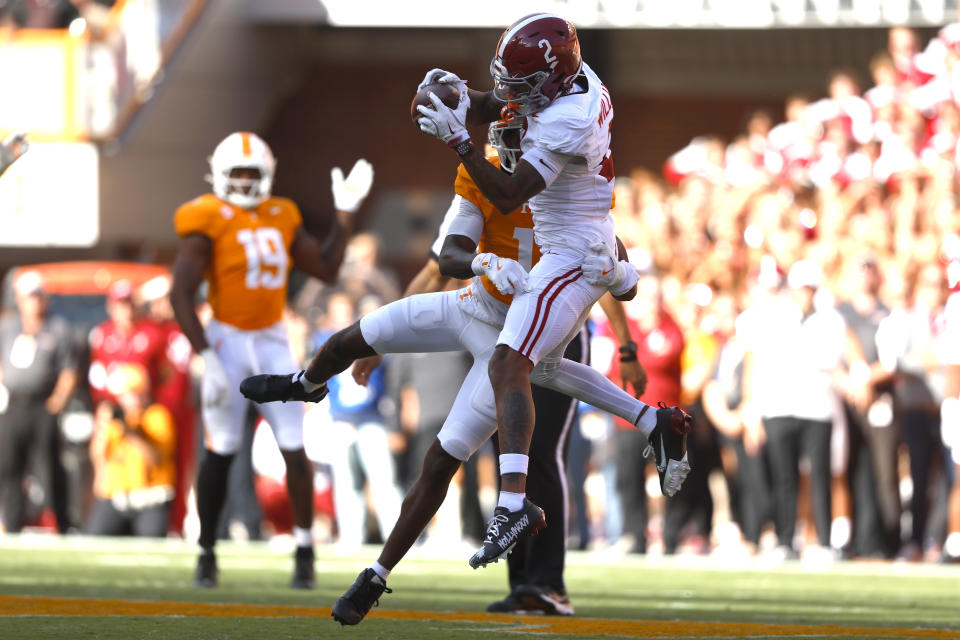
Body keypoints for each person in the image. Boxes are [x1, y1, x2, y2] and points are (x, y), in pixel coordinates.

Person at [240, 116, 657, 625]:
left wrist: (628, 334)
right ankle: (305, 385)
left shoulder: (573, 194)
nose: (507, 156)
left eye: (518, 147)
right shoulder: (479, 180)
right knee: (358, 333)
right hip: (476, 308)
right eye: (500, 144)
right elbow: (448, 257)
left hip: (536, 336)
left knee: (494, 454)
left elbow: (610, 273)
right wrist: (483, 263)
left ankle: (428, 576)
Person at [411, 13, 691, 568]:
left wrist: (460, 141)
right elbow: (500, 101)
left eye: (522, 87)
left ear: (551, 80)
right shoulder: (567, 80)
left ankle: (512, 504)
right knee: (535, 368)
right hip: (580, 236)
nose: (510, 97)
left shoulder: (570, 114)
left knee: (507, 364)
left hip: (568, 249)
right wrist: (452, 96)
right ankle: (656, 421)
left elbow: (510, 194)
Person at [169, 131, 373, 589]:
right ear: (219, 175)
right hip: (225, 340)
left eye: (251, 174)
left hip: (272, 340)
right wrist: (204, 354)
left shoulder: (282, 213)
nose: (243, 183)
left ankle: (304, 549)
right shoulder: (204, 215)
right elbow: (179, 293)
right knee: (219, 450)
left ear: (267, 174)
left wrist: (344, 214)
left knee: (294, 448)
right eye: (235, 174)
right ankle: (206, 550)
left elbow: (326, 268)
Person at [0, 270, 76, 533]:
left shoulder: (57, 328)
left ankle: (62, 523)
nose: (34, 302)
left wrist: (58, 400)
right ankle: (12, 523)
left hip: (42, 405)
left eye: (38, 296)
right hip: (13, 404)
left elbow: (68, 370)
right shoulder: (8, 327)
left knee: (49, 465)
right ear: (19, 299)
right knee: (9, 465)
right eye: (30, 296)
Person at [86, 363, 176, 537]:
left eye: (134, 393)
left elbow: (156, 458)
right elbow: (98, 455)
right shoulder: (114, 420)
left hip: (149, 498)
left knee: (151, 540)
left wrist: (131, 434)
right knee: (94, 537)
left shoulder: (157, 417)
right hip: (117, 497)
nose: (131, 399)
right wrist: (103, 427)